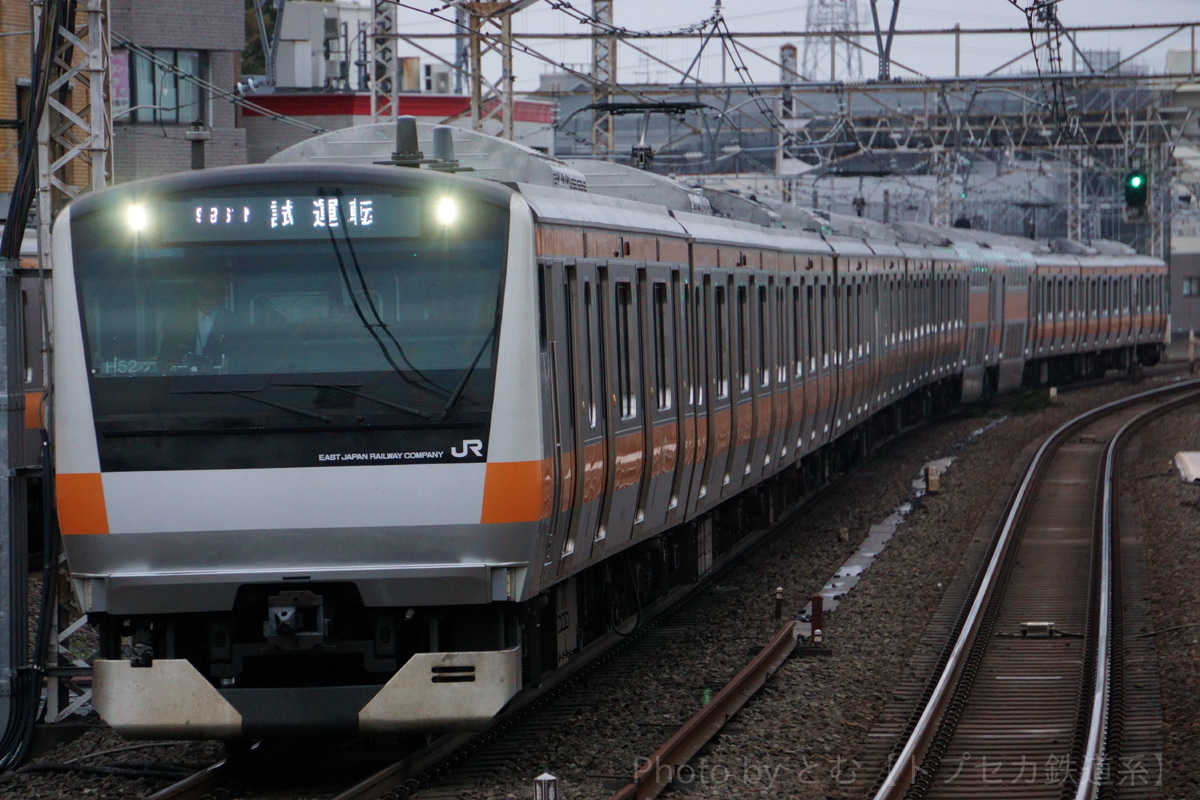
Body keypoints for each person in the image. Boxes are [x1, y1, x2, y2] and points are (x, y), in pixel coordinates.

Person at [160, 278, 238, 371]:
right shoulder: (177, 320)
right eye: (205, 294)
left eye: (213, 295)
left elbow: (238, 356)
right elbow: (166, 353)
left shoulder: (232, 321)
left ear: (221, 297)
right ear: (197, 295)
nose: (208, 300)